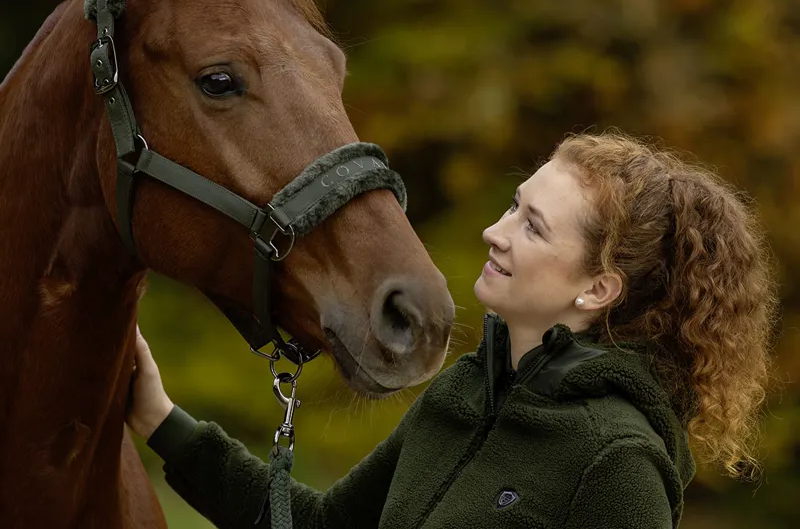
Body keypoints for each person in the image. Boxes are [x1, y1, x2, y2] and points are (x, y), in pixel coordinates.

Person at [127, 131, 779, 528]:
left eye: (533, 227)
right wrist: (160, 419)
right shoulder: (464, 393)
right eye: (514, 205)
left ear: (599, 287)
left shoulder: (616, 461)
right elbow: (320, 526)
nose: (495, 232)